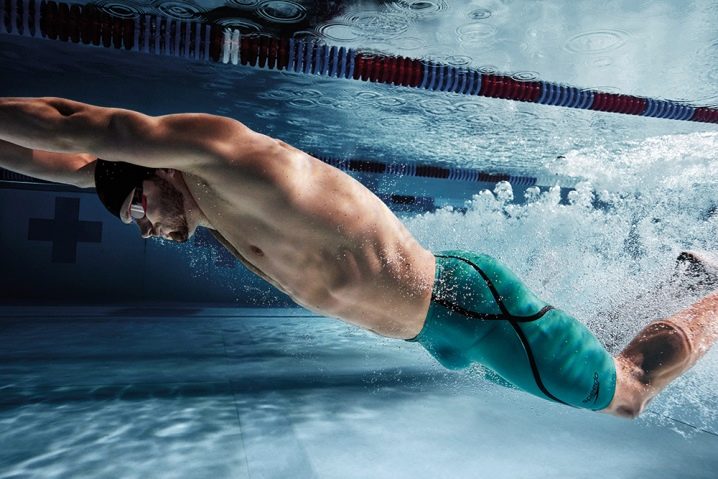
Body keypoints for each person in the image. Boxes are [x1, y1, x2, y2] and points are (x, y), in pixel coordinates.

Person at [1, 96, 716, 419]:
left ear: (157, 167)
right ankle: (679, 279)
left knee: (626, 393)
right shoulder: (206, 210)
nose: (146, 229)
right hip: (437, 329)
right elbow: (71, 161)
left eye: (138, 211)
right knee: (595, 339)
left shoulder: (230, 161)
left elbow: (81, 125)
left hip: (471, 309)